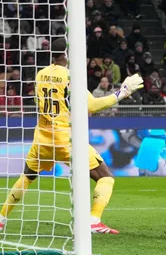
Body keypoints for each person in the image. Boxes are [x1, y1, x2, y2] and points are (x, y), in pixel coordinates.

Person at [0, 38, 143, 234]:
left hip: (41, 138)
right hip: (64, 139)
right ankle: (93, 220)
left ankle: (1, 217)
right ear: (68, 54)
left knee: (27, 177)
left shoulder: (41, 74)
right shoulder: (69, 76)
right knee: (105, 177)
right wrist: (122, 93)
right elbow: (92, 105)